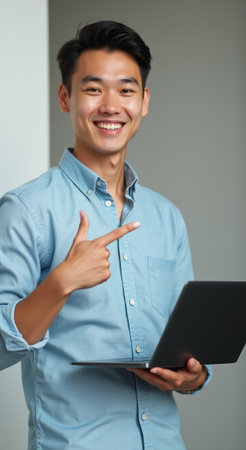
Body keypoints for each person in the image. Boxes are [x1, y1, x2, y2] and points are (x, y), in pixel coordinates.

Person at [0, 21, 211, 450]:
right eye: (93, 89)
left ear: (144, 101)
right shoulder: (26, 210)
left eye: (126, 90)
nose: (111, 105)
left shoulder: (166, 217)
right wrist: (61, 284)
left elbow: (187, 347)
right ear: (66, 97)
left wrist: (194, 377)